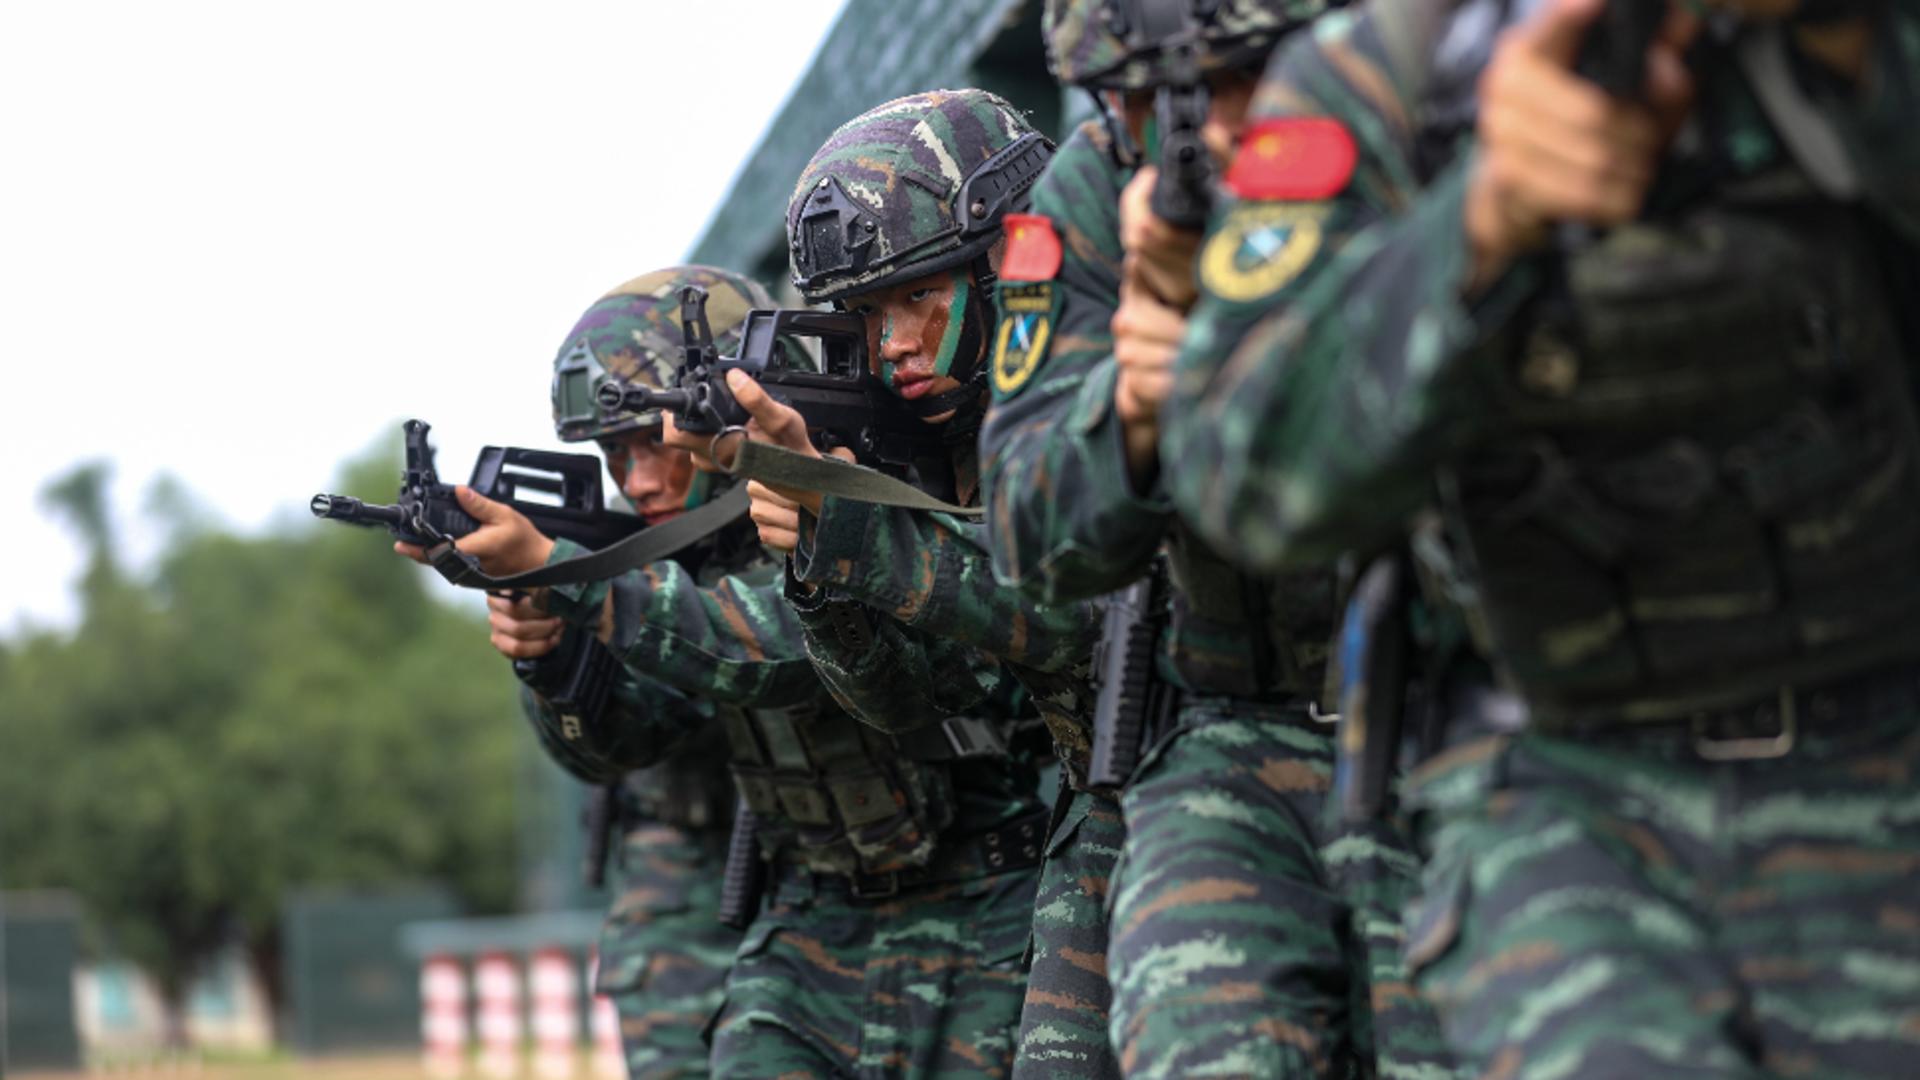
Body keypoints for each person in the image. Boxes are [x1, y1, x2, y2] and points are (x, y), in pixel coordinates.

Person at [1163, 0, 1920, 1073]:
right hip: (1572, 795)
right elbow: (1245, 477)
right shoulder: (1384, 75)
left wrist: (1853, 60)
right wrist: (1480, 221)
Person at [411, 263, 1049, 1076]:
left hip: (981, 901)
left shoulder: (857, 494)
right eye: (616, 453)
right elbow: (622, 740)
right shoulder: (689, 560)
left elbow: (769, 652)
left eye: (658, 443)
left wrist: (568, 575)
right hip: (812, 924)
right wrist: (551, 655)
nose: (640, 478)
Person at [976, 1, 1457, 1075]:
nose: (1212, 126)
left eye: (1245, 77)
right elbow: (1028, 527)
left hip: (1455, 709)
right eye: (1142, 97)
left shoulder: (1430, 107)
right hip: (1235, 729)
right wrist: (1134, 416)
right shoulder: (1101, 190)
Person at [702, 87, 1117, 1080]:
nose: (894, 346)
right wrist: (822, 568)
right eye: (869, 314)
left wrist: (851, 534)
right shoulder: (932, 447)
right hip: (1093, 824)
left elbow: (1066, 616)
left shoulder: (1093, 382)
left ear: (1011, 262)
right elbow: (907, 703)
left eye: (921, 297)